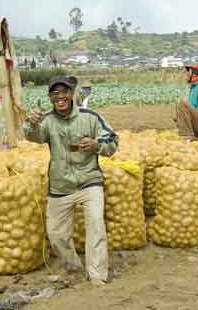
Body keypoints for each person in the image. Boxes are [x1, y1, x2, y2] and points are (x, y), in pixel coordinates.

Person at [24, 75, 119, 286]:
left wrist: (96, 145)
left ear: (72, 94)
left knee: (95, 225)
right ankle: (74, 266)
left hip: (89, 181)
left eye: (64, 92)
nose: (60, 97)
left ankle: (97, 275)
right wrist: (31, 123)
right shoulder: (47, 120)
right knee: (56, 234)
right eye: (55, 93)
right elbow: (34, 136)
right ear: (50, 97)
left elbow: (112, 141)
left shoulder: (90, 117)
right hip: (60, 186)